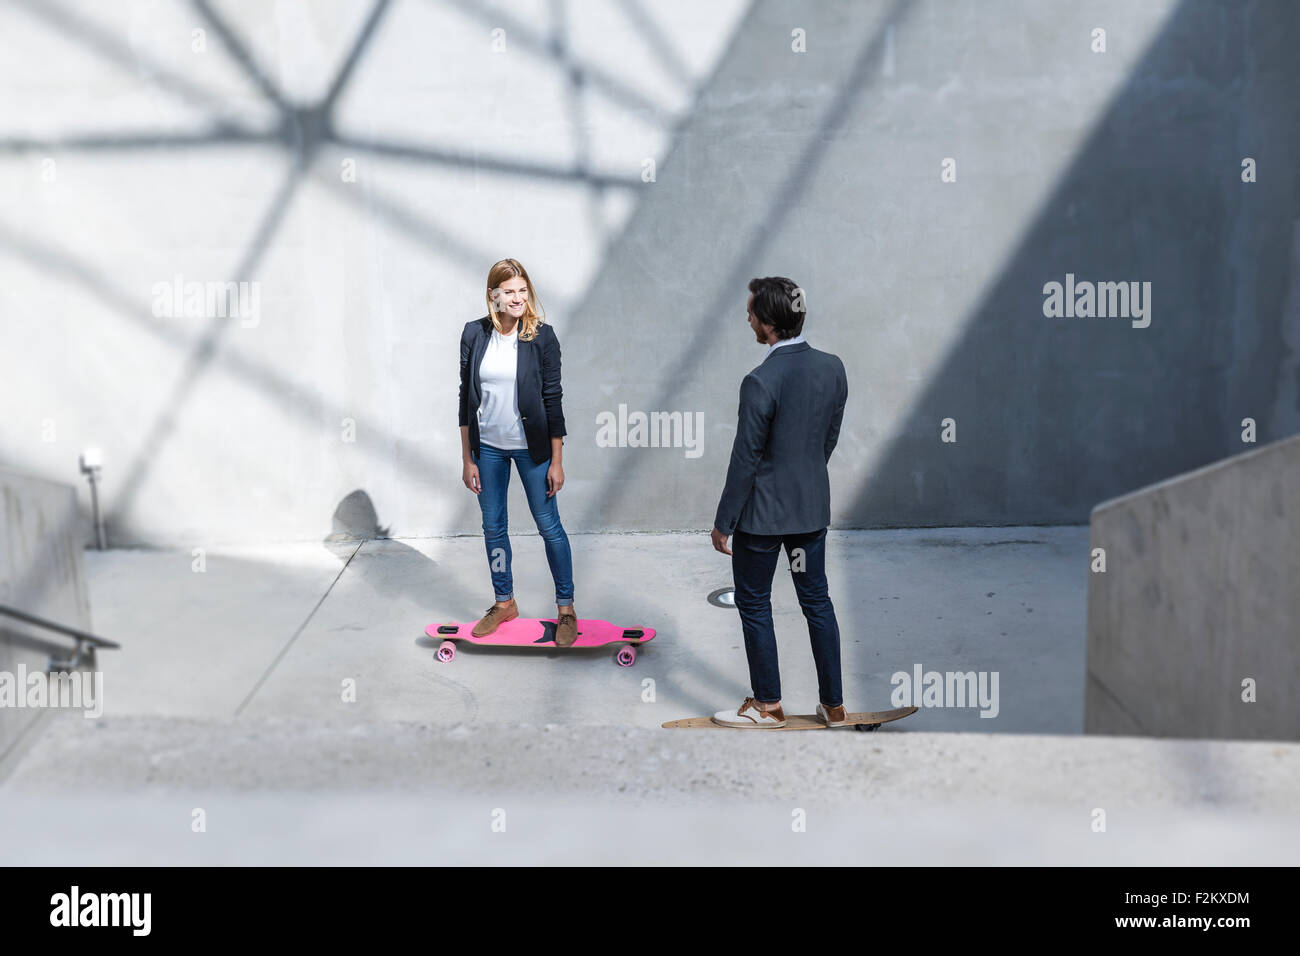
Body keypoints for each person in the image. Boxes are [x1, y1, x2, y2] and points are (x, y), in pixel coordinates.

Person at [710, 276, 849, 728]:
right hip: (809, 512)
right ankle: (834, 705)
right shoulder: (833, 368)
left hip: (762, 521)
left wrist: (723, 521)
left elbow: (745, 459)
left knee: (754, 603)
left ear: (768, 323)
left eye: (751, 312)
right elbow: (826, 440)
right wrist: (804, 477)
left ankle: (768, 705)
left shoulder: (759, 380)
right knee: (817, 601)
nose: (746, 317)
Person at [458, 259, 577, 645]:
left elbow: (553, 400)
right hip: (488, 448)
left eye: (523, 291)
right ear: (493, 294)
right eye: (509, 291)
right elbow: (465, 399)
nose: (518, 298)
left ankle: (566, 608)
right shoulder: (474, 334)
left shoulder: (542, 337)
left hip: (533, 449)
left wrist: (556, 461)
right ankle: (504, 601)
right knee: (493, 527)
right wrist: (467, 457)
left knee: (549, 527)